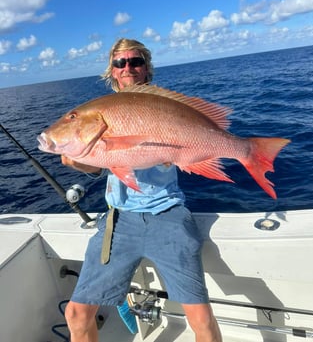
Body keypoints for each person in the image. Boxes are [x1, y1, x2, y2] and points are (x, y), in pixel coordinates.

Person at [63, 38, 222, 342]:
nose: (128, 68)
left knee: (201, 318)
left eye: (135, 61)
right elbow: (98, 166)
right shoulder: (100, 114)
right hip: (119, 222)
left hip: (169, 214)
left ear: (147, 67)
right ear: (112, 70)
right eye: (120, 63)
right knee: (76, 313)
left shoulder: (163, 104)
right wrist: (77, 161)